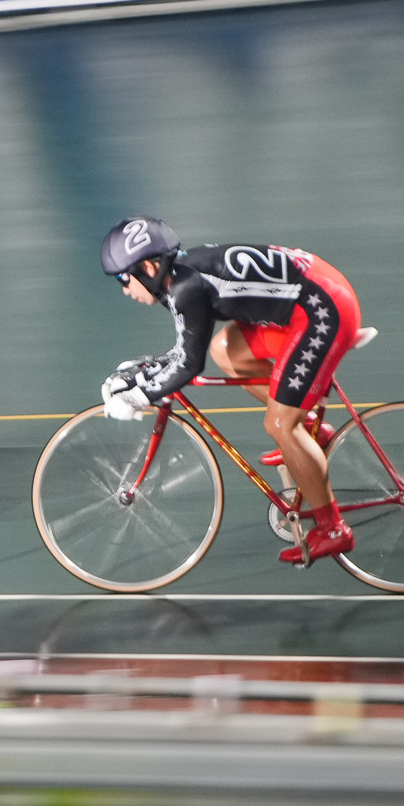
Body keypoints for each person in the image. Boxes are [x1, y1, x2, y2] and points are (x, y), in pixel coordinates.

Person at [98, 216, 363, 565]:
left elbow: (189, 365)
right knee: (227, 349)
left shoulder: (185, 288)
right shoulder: (181, 275)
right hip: (317, 294)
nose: (123, 289)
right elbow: (185, 350)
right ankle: (313, 429)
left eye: (123, 277)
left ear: (148, 267)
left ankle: (332, 528)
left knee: (281, 425)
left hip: (323, 311)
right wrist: (144, 375)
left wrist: (139, 394)